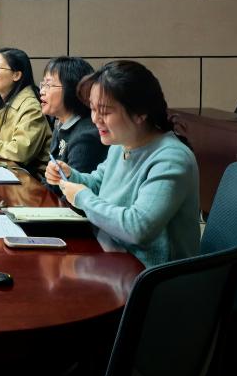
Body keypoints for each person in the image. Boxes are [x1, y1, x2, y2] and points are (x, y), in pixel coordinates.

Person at [45, 60, 199, 268]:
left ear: (140, 113)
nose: (95, 119)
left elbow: (139, 228)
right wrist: (71, 176)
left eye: (105, 112)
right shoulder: (121, 143)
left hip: (150, 275)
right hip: (112, 255)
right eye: (93, 109)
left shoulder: (171, 158)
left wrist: (82, 197)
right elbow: (99, 183)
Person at [39, 56, 107, 175]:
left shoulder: (85, 137)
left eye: (48, 85)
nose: (42, 91)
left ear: (73, 89)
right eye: (43, 84)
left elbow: (74, 184)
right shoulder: (61, 123)